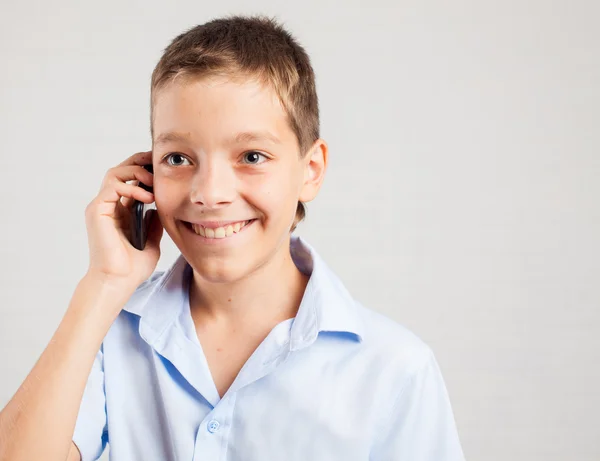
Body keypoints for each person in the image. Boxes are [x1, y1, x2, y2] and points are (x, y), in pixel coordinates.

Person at [0, 15, 465, 461]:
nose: (209, 194)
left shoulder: (394, 369)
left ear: (311, 170)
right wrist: (103, 282)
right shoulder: (111, 335)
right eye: (179, 159)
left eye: (252, 156)